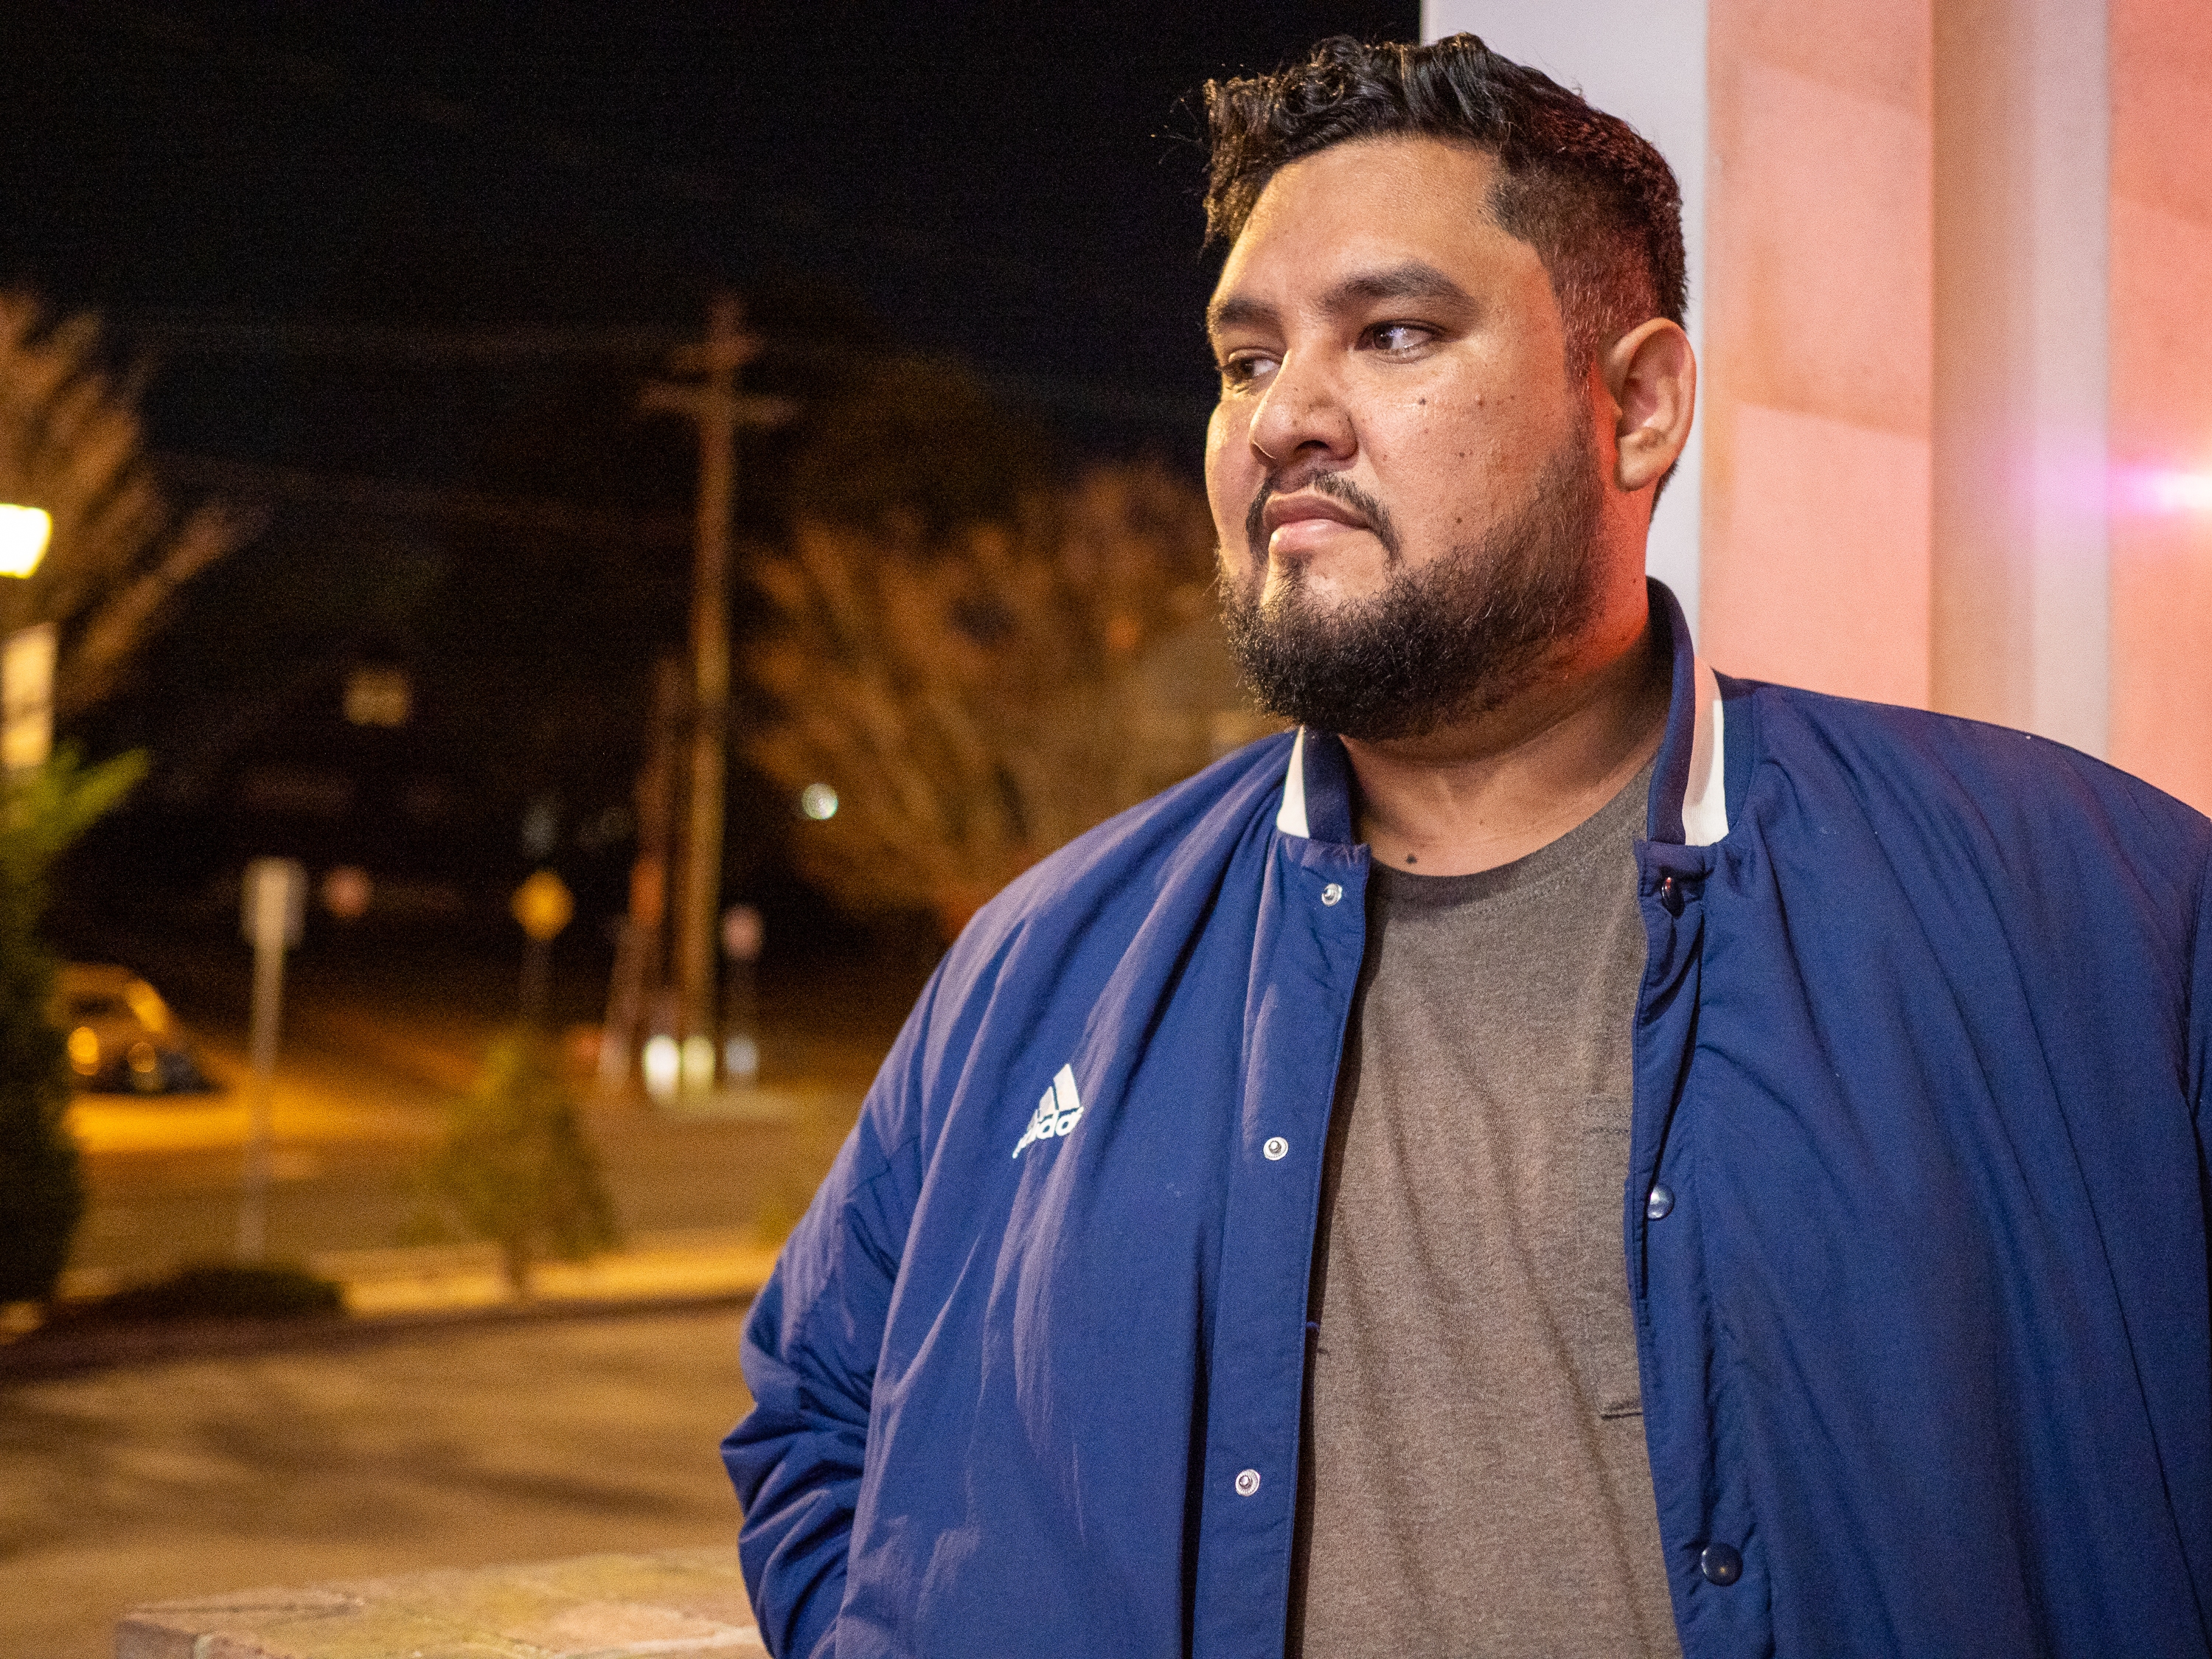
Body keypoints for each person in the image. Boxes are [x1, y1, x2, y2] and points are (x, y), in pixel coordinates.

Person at [724, 35, 2212, 1659]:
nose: (1285, 418)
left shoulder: (2097, 911)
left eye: (1393, 333)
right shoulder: (1040, 966)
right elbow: (816, 1427)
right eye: (1244, 360)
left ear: (1637, 407)